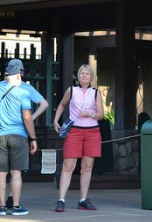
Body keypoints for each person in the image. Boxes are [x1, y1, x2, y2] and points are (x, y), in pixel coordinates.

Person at [53, 64, 103, 212]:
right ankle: (61, 199)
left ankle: (83, 199)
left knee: (87, 167)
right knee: (68, 165)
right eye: (82, 73)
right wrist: (56, 120)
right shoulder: (72, 90)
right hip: (74, 130)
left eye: (87, 74)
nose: (84, 76)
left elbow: (101, 114)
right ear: (78, 76)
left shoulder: (96, 93)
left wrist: (91, 114)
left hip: (92, 131)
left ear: (91, 77)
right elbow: (62, 105)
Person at [0, 59, 49, 211]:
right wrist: (33, 136)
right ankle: (15, 206)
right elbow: (41, 106)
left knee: (1, 173)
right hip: (19, 135)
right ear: (21, 73)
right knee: (16, 173)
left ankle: (1, 206)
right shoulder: (25, 90)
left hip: (1, 135)